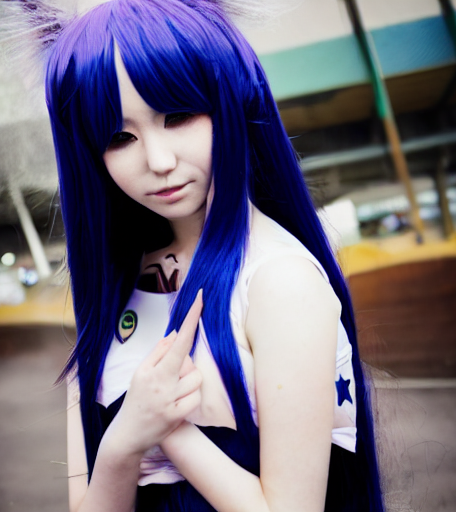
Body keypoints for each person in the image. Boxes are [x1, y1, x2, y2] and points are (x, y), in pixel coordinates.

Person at [32, 0, 385, 510]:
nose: (159, 161)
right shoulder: (110, 288)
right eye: (119, 137)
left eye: (177, 115)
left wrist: (165, 426)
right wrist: (122, 443)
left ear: (229, 102)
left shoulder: (278, 279)